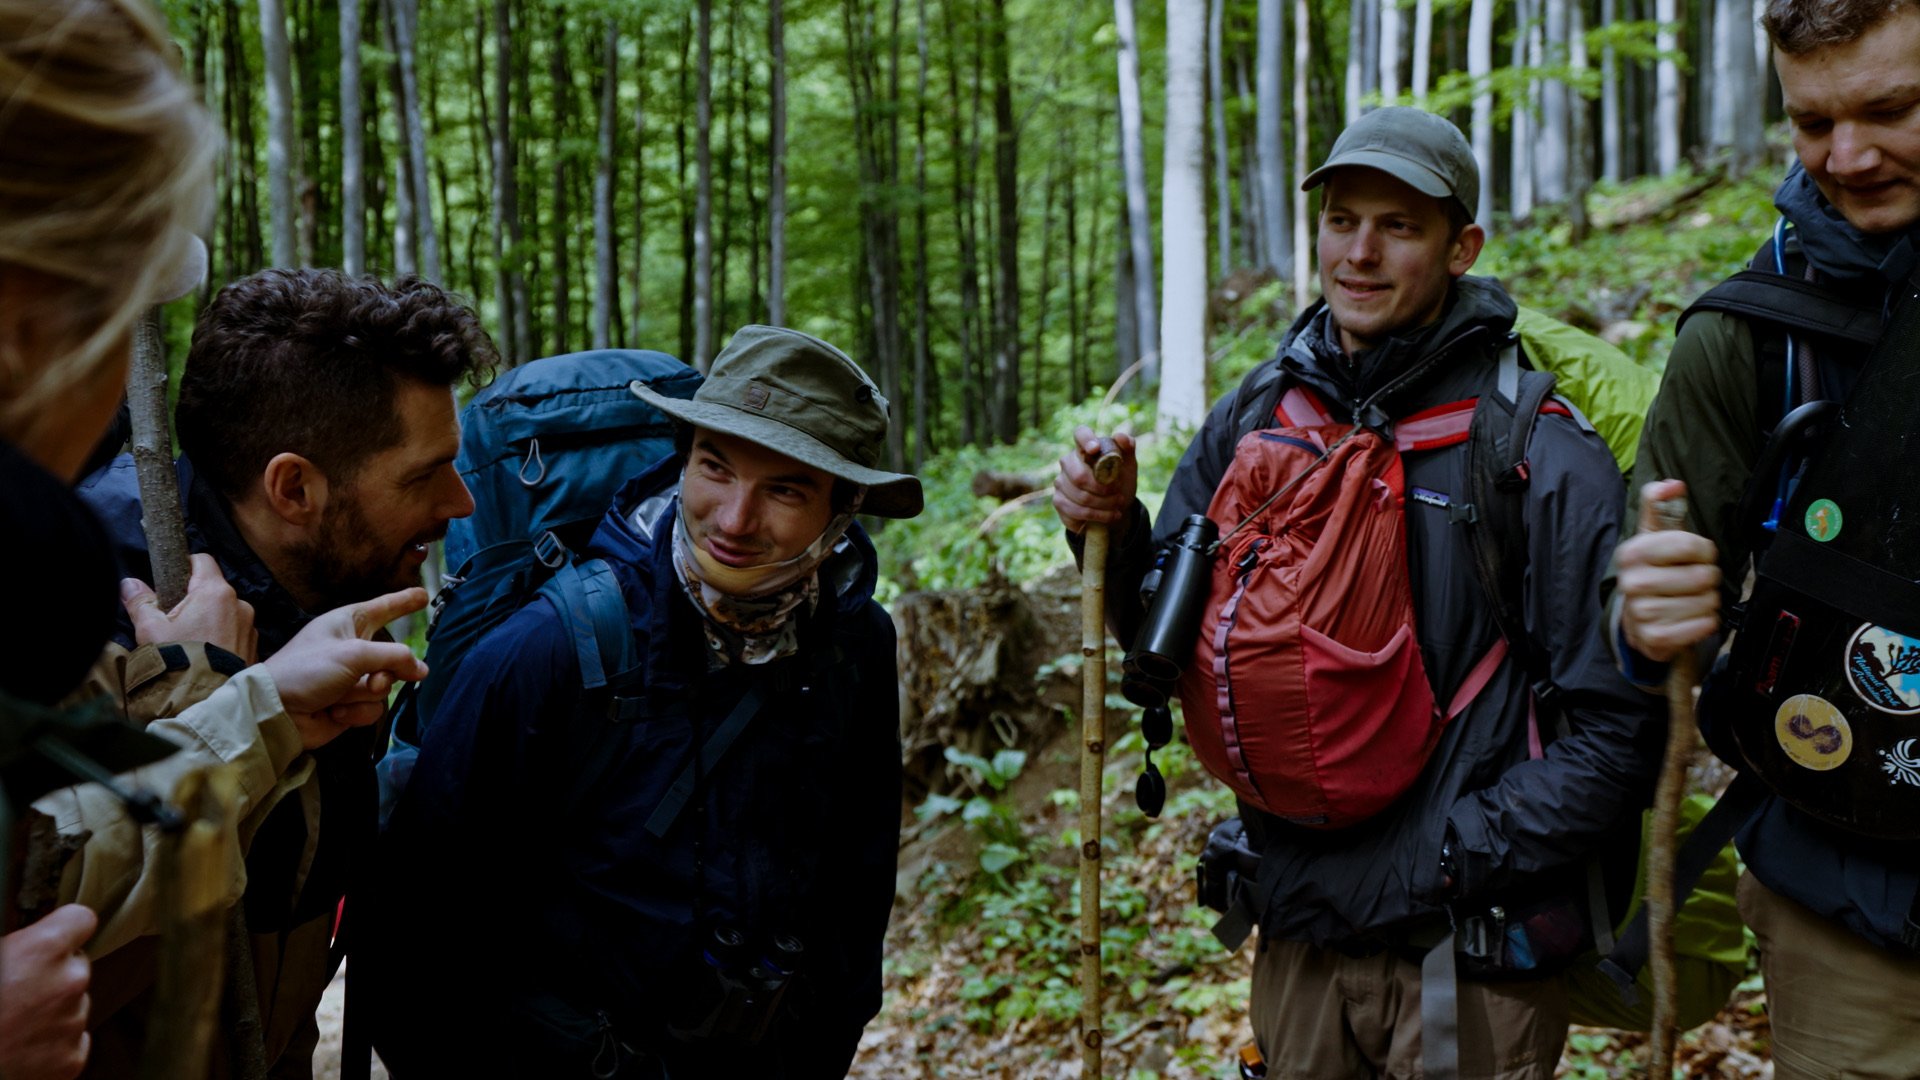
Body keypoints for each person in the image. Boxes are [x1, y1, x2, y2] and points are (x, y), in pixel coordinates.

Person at [1055, 107, 1660, 1078]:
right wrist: (1114, 529)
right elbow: (1166, 640)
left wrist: (1442, 859)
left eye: (1400, 226)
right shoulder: (1259, 414)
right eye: (1342, 220)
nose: (1361, 253)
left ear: (1462, 246)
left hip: (1469, 960)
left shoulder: (1535, 450)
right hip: (1299, 941)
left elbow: (1620, 732)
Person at [0, 3, 435, 1079]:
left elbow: (57, 856)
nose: (464, 505)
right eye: (114, 315)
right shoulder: (82, 591)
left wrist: (261, 700)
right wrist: (199, 683)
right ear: (23, 325)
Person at [374, 325, 918, 1077]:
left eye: (785, 489)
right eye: (715, 468)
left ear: (843, 506)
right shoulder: (553, 647)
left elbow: (857, 894)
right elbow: (419, 935)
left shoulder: (855, 643)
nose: (733, 519)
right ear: (683, 457)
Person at [36, 267, 493, 1078]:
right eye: (424, 474)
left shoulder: (317, 596)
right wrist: (204, 689)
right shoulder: (71, 629)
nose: (460, 502)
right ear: (294, 488)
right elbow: (58, 971)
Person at [1613, 2, 1920, 1074]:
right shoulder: (1750, 334)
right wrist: (1646, 610)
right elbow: (1636, 620)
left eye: (1893, 109)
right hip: (1852, 917)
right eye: (1810, 122)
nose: (1848, 156)